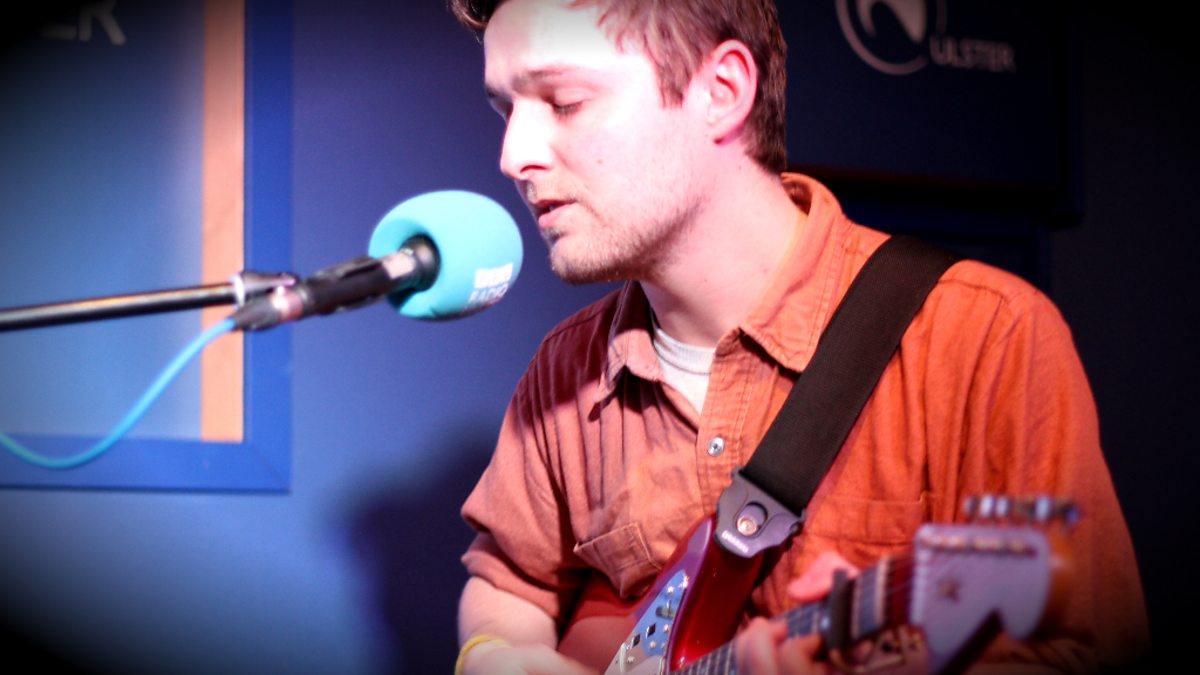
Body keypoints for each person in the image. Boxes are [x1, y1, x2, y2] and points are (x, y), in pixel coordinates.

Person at [445, 1, 1151, 673]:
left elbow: (1085, 649)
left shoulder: (985, 335)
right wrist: (493, 652)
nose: (513, 155)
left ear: (721, 91)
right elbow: (508, 580)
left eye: (564, 101)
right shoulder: (563, 367)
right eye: (507, 110)